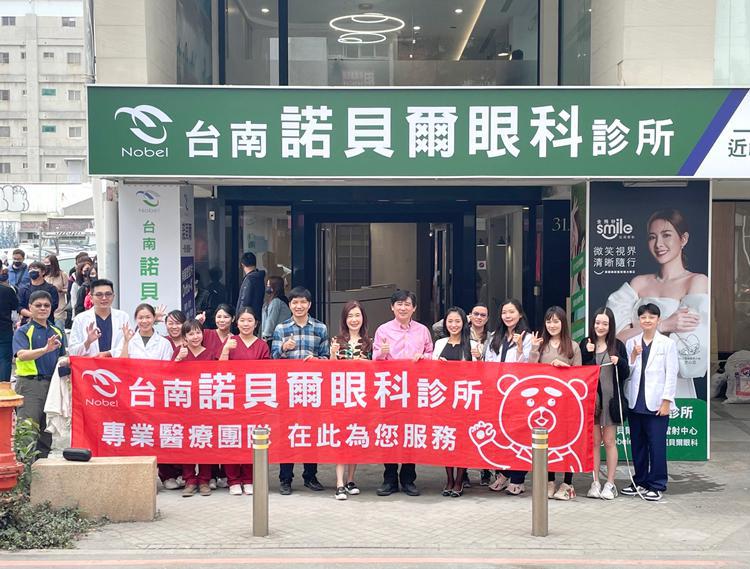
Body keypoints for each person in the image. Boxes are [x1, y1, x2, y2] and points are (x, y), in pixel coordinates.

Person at [607, 209, 708, 399]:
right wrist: (665, 325)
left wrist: (637, 330)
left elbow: (689, 347)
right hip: (636, 377)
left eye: (666, 235)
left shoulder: (696, 281)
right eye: (652, 237)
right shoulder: (638, 283)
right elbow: (616, 340)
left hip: (675, 381)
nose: (658, 244)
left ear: (683, 239)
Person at [372, 289, 433, 497]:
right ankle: (389, 478)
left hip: (414, 388)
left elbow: (430, 353)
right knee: (389, 431)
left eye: (407, 304)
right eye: (399, 304)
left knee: (410, 432)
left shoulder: (422, 330)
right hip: (390, 388)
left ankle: (408, 478)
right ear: (392, 307)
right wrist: (382, 353)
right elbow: (374, 358)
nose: (403, 308)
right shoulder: (383, 330)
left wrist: (423, 357)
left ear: (414, 308)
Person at [271, 286, 329, 495]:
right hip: (288, 390)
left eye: (303, 302)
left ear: (309, 304)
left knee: (310, 433)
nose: (299, 306)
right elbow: (273, 358)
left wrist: (317, 360)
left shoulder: (320, 328)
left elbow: (327, 357)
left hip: (312, 389)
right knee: (287, 434)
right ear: (289, 305)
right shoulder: (281, 328)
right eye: (295, 302)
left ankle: (310, 476)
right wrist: (283, 349)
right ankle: (285, 479)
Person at [622, 303, 678, 502]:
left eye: (651, 317)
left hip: (656, 403)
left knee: (656, 445)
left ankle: (657, 484)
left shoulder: (667, 344)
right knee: (638, 445)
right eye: (643, 317)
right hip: (636, 402)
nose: (647, 320)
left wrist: (666, 401)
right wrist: (633, 357)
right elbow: (628, 373)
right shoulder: (632, 342)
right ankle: (640, 481)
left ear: (658, 320)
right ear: (639, 320)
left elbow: (671, 374)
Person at [529, 306, 582, 501]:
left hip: (566, 402)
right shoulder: (541, 345)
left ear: (563, 323)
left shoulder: (573, 346)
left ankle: (568, 482)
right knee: (548, 441)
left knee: (567, 440)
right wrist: (533, 349)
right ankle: (549, 480)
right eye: (549, 321)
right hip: (545, 403)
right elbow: (530, 371)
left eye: (556, 321)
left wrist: (565, 367)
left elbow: (580, 375)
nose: (552, 325)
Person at [483, 298, 532, 496]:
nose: (508, 316)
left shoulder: (528, 337)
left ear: (520, 314)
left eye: (511, 312)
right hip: (497, 393)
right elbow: (488, 363)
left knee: (518, 435)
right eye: (504, 312)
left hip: (518, 394)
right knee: (499, 434)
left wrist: (519, 348)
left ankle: (518, 478)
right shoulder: (495, 337)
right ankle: (502, 473)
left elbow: (528, 366)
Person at [581, 307, 630, 501]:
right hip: (592, 401)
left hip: (611, 402)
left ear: (611, 326)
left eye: (605, 323)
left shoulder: (617, 346)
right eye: (597, 323)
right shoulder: (586, 343)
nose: (600, 327)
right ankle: (595, 482)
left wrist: (620, 362)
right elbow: (579, 372)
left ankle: (610, 483)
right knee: (594, 442)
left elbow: (626, 374)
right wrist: (587, 355)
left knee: (609, 442)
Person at [220, 306, 270, 496]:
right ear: (236, 322)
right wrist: (226, 350)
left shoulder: (262, 345)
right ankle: (233, 479)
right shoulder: (230, 341)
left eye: (250, 320)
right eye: (242, 320)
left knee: (252, 438)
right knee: (232, 437)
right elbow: (219, 371)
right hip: (233, 398)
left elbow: (266, 373)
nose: (246, 324)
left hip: (254, 399)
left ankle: (249, 478)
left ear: (256, 323)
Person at [12, 290, 66, 458]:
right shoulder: (23, 331)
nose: (43, 308)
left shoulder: (57, 331)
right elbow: (21, 355)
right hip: (30, 385)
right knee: (27, 431)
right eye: (38, 305)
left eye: (46, 305)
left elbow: (63, 357)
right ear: (30, 307)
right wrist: (45, 349)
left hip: (52, 385)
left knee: (46, 432)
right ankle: (24, 471)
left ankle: (41, 468)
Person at [329, 300, 372, 500]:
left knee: (355, 437)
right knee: (341, 438)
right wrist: (332, 354)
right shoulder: (336, 340)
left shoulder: (369, 342)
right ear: (344, 319)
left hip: (360, 396)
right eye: (350, 316)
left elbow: (376, 367)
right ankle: (339, 483)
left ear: (363, 318)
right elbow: (331, 368)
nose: (354, 320)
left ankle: (351, 480)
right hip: (340, 395)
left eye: (357, 315)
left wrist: (364, 362)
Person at [433, 306, 476, 497]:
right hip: (444, 399)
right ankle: (449, 479)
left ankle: (459, 480)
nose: (454, 325)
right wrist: (438, 366)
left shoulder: (472, 345)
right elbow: (431, 371)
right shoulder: (439, 343)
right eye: (450, 321)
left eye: (457, 321)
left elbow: (478, 373)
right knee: (447, 439)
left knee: (462, 442)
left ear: (464, 323)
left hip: (464, 399)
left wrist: (477, 359)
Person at [175, 319, 219, 497]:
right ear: (184, 337)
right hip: (185, 406)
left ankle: (204, 480)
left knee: (204, 442)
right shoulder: (180, 353)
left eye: (198, 332)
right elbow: (168, 376)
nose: (195, 336)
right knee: (187, 443)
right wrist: (178, 360)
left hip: (205, 406)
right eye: (190, 333)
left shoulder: (210, 354)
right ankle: (190, 480)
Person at [69, 278, 129, 358]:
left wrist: (108, 353)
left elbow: (129, 345)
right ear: (91, 298)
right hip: (90, 365)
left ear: (113, 296)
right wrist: (88, 342)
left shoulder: (123, 317)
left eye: (108, 294)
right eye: (99, 294)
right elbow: (72, 352)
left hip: (115, 364)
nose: (104, 298)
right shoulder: (80, 319)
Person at [467, 303, 492, 486]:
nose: (479, 317)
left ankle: (486, 469)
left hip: (486, 388)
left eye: (483, 315)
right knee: (465, 430)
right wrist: (463, 319)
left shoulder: (492, 337)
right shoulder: (462, 332)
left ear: (487, 318)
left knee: (485, 429)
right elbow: (438, 327)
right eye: (476, 314)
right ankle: (464, 472)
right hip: (465, 387)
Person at [236, 252, 266, 329]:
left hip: (247, 318)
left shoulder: (249, 279)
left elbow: (244, 300)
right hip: (257, 316)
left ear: (242, 264)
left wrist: (239, 317)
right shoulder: (260, 278)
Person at [0, 267, 18, 380]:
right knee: (4, 360)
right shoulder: (8, 291)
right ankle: (3, 387)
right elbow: (15, 309)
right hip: (4, 329)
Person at [261, 276, 291, 342]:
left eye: (269, 285)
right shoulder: (281, 300)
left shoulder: (276, 301)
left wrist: (265, 335)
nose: (267, 287)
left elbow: (271, 319)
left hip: (273, 338)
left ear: (275, 286)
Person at [43, 255, 68, 330]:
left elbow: (68, 289)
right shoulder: (44, 276)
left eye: (48, 263)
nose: (46, 265)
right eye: (45, 263)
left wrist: (60, 290)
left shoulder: (62, 274)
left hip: (59, 307)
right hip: (46, 307)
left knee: (59, 329)